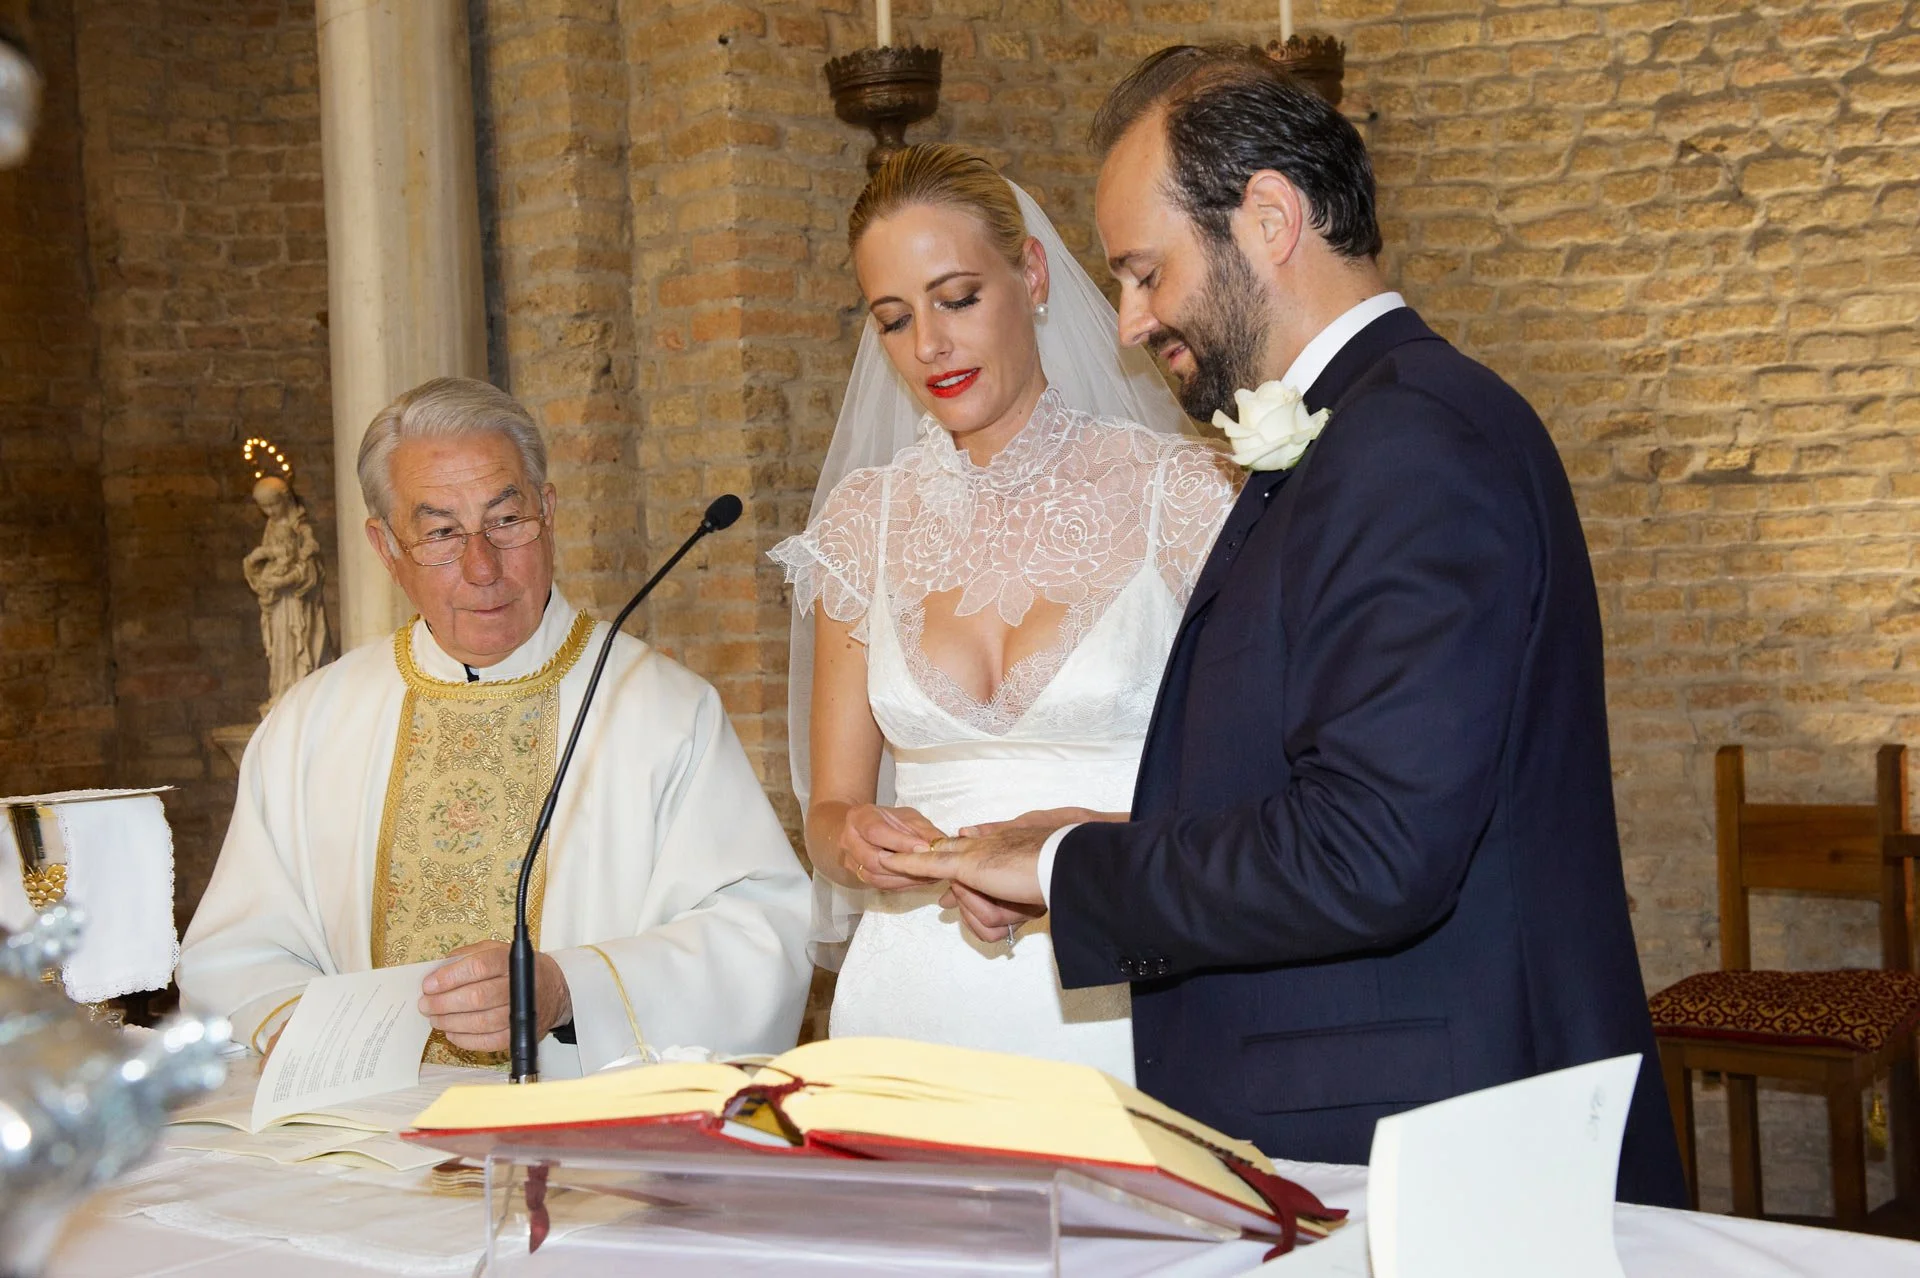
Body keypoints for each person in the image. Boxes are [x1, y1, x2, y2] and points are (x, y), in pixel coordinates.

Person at [884, 49, 1688, 1206]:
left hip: (1429, 1148)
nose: (1129, 321)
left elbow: (1372, 853)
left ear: (1268, 217)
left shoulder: (1411, 446)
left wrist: (1077, 867)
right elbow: (1343, 789)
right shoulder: (1360, 434)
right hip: (1376, 1125)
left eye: (1146, 272)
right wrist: (1102, 833)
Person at [180, 377, 812, 1075]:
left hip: (582, 1143)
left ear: (547, 511)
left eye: (506, 523)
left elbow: (761, 933)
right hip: (368, 1140)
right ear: (387, 549)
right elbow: (236, 955)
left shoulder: (661, 710)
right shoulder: (313, 724)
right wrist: (311, 1038)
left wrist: (568, 988)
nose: (483, 568)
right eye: (441, 533)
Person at [769, 144, 1238, 1082]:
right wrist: (853, 840)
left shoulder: (1180, 497)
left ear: (1029, 275)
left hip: (1120, 990)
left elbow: (1247, 800)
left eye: (957, 298)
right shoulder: (866, 522)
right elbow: (829, 810)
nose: (929, 346)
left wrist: (1082, 853)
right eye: (895, 319)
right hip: (906, 1011)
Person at [242, 474, 328, 715]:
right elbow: (270, 562)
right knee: (281, 652)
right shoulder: (271, 527)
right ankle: (283, 694)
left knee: (299, 648)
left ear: (286, 499)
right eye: (264, 507)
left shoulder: (301, 528)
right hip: (279, 606)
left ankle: (299, 694)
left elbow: (309, 568)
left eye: (273, 504)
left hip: (298, 606)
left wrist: (286, 579)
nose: (269, 511)